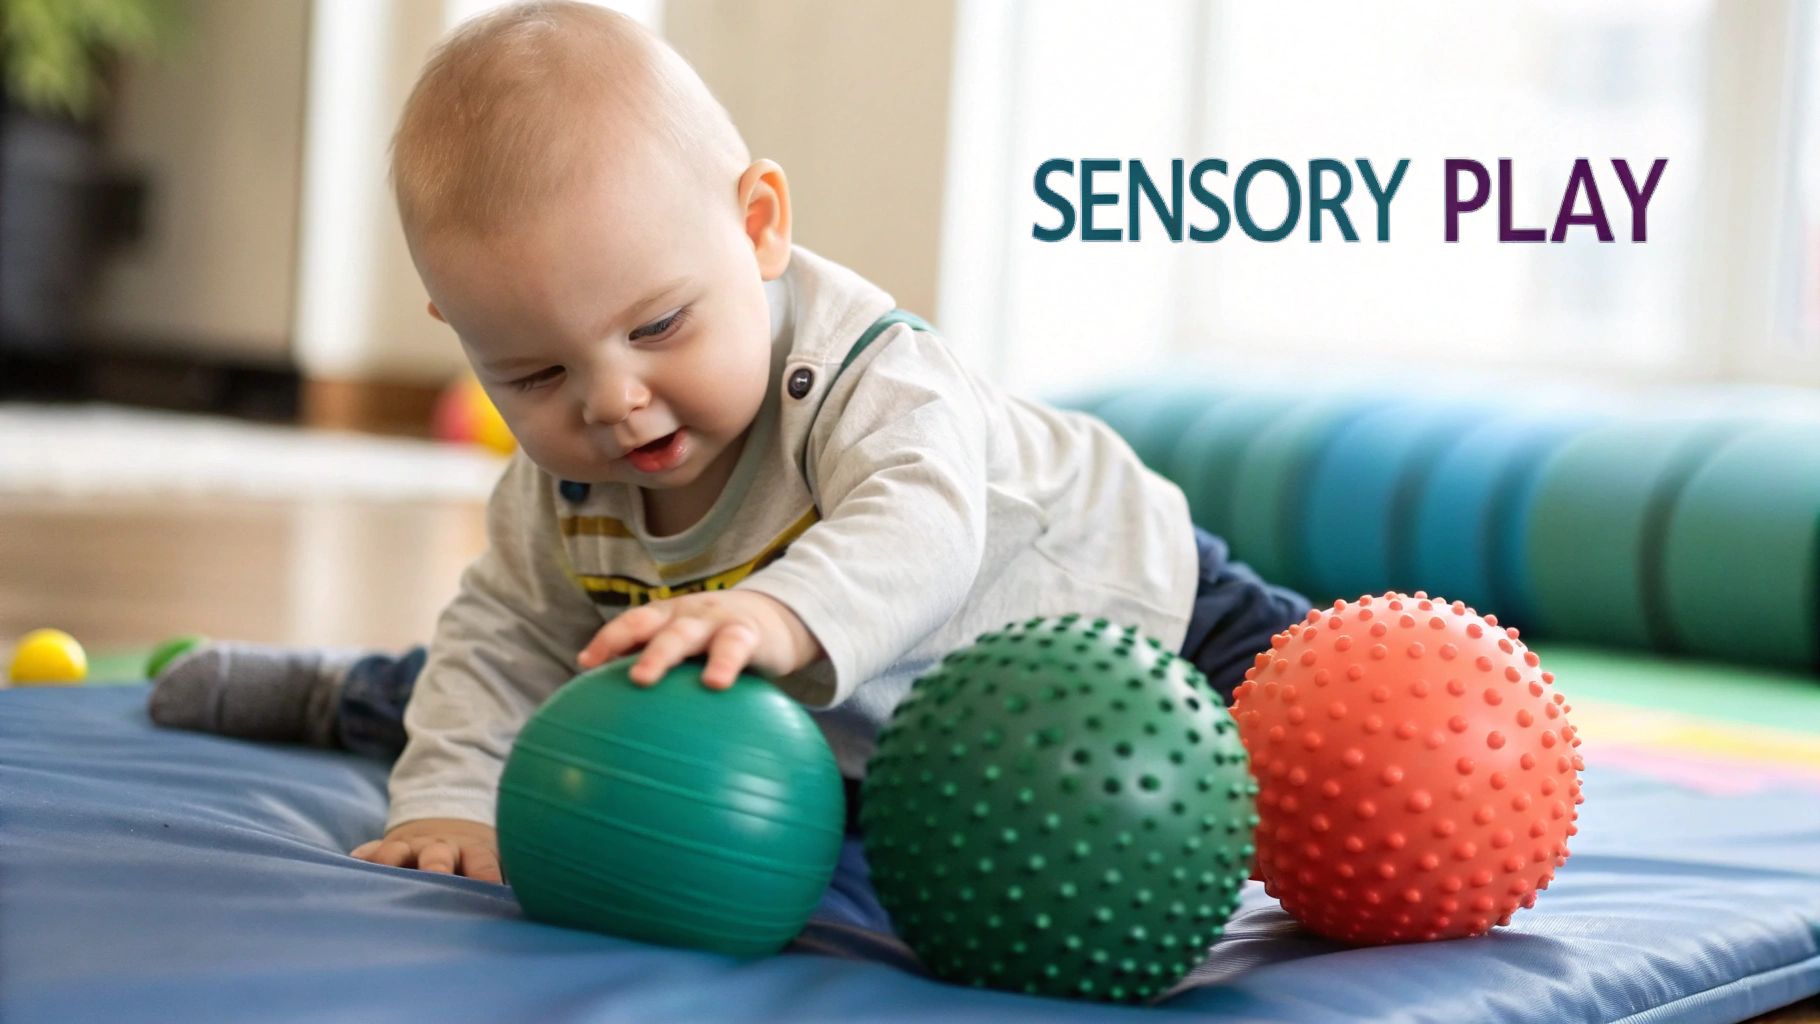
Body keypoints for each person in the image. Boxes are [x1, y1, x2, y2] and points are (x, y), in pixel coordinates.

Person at [148, 1, 1310, 886]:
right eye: (535, 373)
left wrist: (774, 614)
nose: (614, 402)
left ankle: (345, 686)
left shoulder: (868, 374)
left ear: (757, 227)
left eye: (658, 326)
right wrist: (444, 809)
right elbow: (505, 641)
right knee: (546, 680)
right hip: (884, 734)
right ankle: (338, 693)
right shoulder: (556, 483)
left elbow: (924, 527)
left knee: (1324, 739)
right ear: (461, 338)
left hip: (1135, 610)